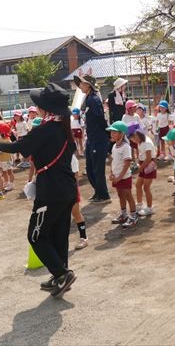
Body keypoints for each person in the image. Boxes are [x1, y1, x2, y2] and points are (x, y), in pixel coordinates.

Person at [0, 84, 78, 296]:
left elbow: (19, 148)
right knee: (58, 235)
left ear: (46, 109)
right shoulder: (63, 128)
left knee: (36, 235)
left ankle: (62, 274)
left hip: (51, 191)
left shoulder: (45, 129)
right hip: (67, 189)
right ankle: (60, 275)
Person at [76, 74, 111, 203]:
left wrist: (107, 134)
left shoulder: (94, 99)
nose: (80, 85)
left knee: (97, 169)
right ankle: (98, 192)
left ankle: (104, 195)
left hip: (98, 138)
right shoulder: (88, 98)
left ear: (88, 85)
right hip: (91, 138)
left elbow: (100, 118)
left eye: (82, 83)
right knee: (90, 169)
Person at [107, 121, 138, 228]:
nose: (111, 134)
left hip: (124, 177)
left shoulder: (126, 147)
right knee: (120, 195)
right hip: (117, 177)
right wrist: (112, 173)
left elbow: (127, 163)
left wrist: (120, 176)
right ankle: (124, 214)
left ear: (122, 133)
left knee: (128, 195)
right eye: (111, 132)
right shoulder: (114, 146)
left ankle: (133, 216)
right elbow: (113, 161)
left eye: (114, 132)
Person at [127, 124, 157, 217]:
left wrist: (140, 168)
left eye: (133, 138)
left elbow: (148, 158)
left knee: (146, 187)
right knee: (138, 185)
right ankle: (140, 204)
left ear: (137, 134)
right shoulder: (140, 141)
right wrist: (138, 163)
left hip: (149, 165)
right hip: (143, 164)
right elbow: (141, 155)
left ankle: (149, 208)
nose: (133, 141)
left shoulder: (147, 142)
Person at [70, 153, 89, 250]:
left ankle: (83, 238)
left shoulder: (71, 158)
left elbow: (76, 176)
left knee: (76, 213)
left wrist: (72, 191)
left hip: (70, 189)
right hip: (59, 189)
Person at [0, 122, 15, 192]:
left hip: (5, 158)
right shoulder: (2, 138)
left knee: (8, 172)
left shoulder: (3, 140)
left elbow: (0, 150)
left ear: (1, 131)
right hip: (4, 158)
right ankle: (7, 183)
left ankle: (10, 184)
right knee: (6, 171)